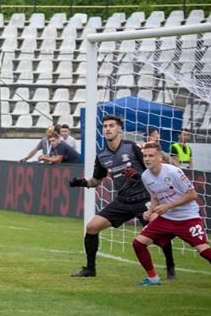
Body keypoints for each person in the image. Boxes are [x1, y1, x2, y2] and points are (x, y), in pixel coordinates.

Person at [68, 114, 177, 278]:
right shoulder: (102, 155)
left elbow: (153, 169)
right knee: (92, 227)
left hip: (143, 198)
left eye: (111, 126)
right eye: (105, 126)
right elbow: (96, 181)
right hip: (123, 200)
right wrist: (82, 183)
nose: (108, 129)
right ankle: (90, 269)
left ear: (119, 129)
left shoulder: (132, 147)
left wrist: (140, 177)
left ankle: (170, 266)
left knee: (158, 232)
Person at [133, 142, 211, 287]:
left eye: (151, 156)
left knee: (203, 250)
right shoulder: (145, 176)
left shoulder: (173, 172)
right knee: (138, 243)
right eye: (145, 156)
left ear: (160, 157)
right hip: (167, 218)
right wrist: (149, 211)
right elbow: (155, 197)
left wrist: (168, 206)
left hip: (188, 218)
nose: (147, 159)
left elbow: (192, 195)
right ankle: (153, 279)